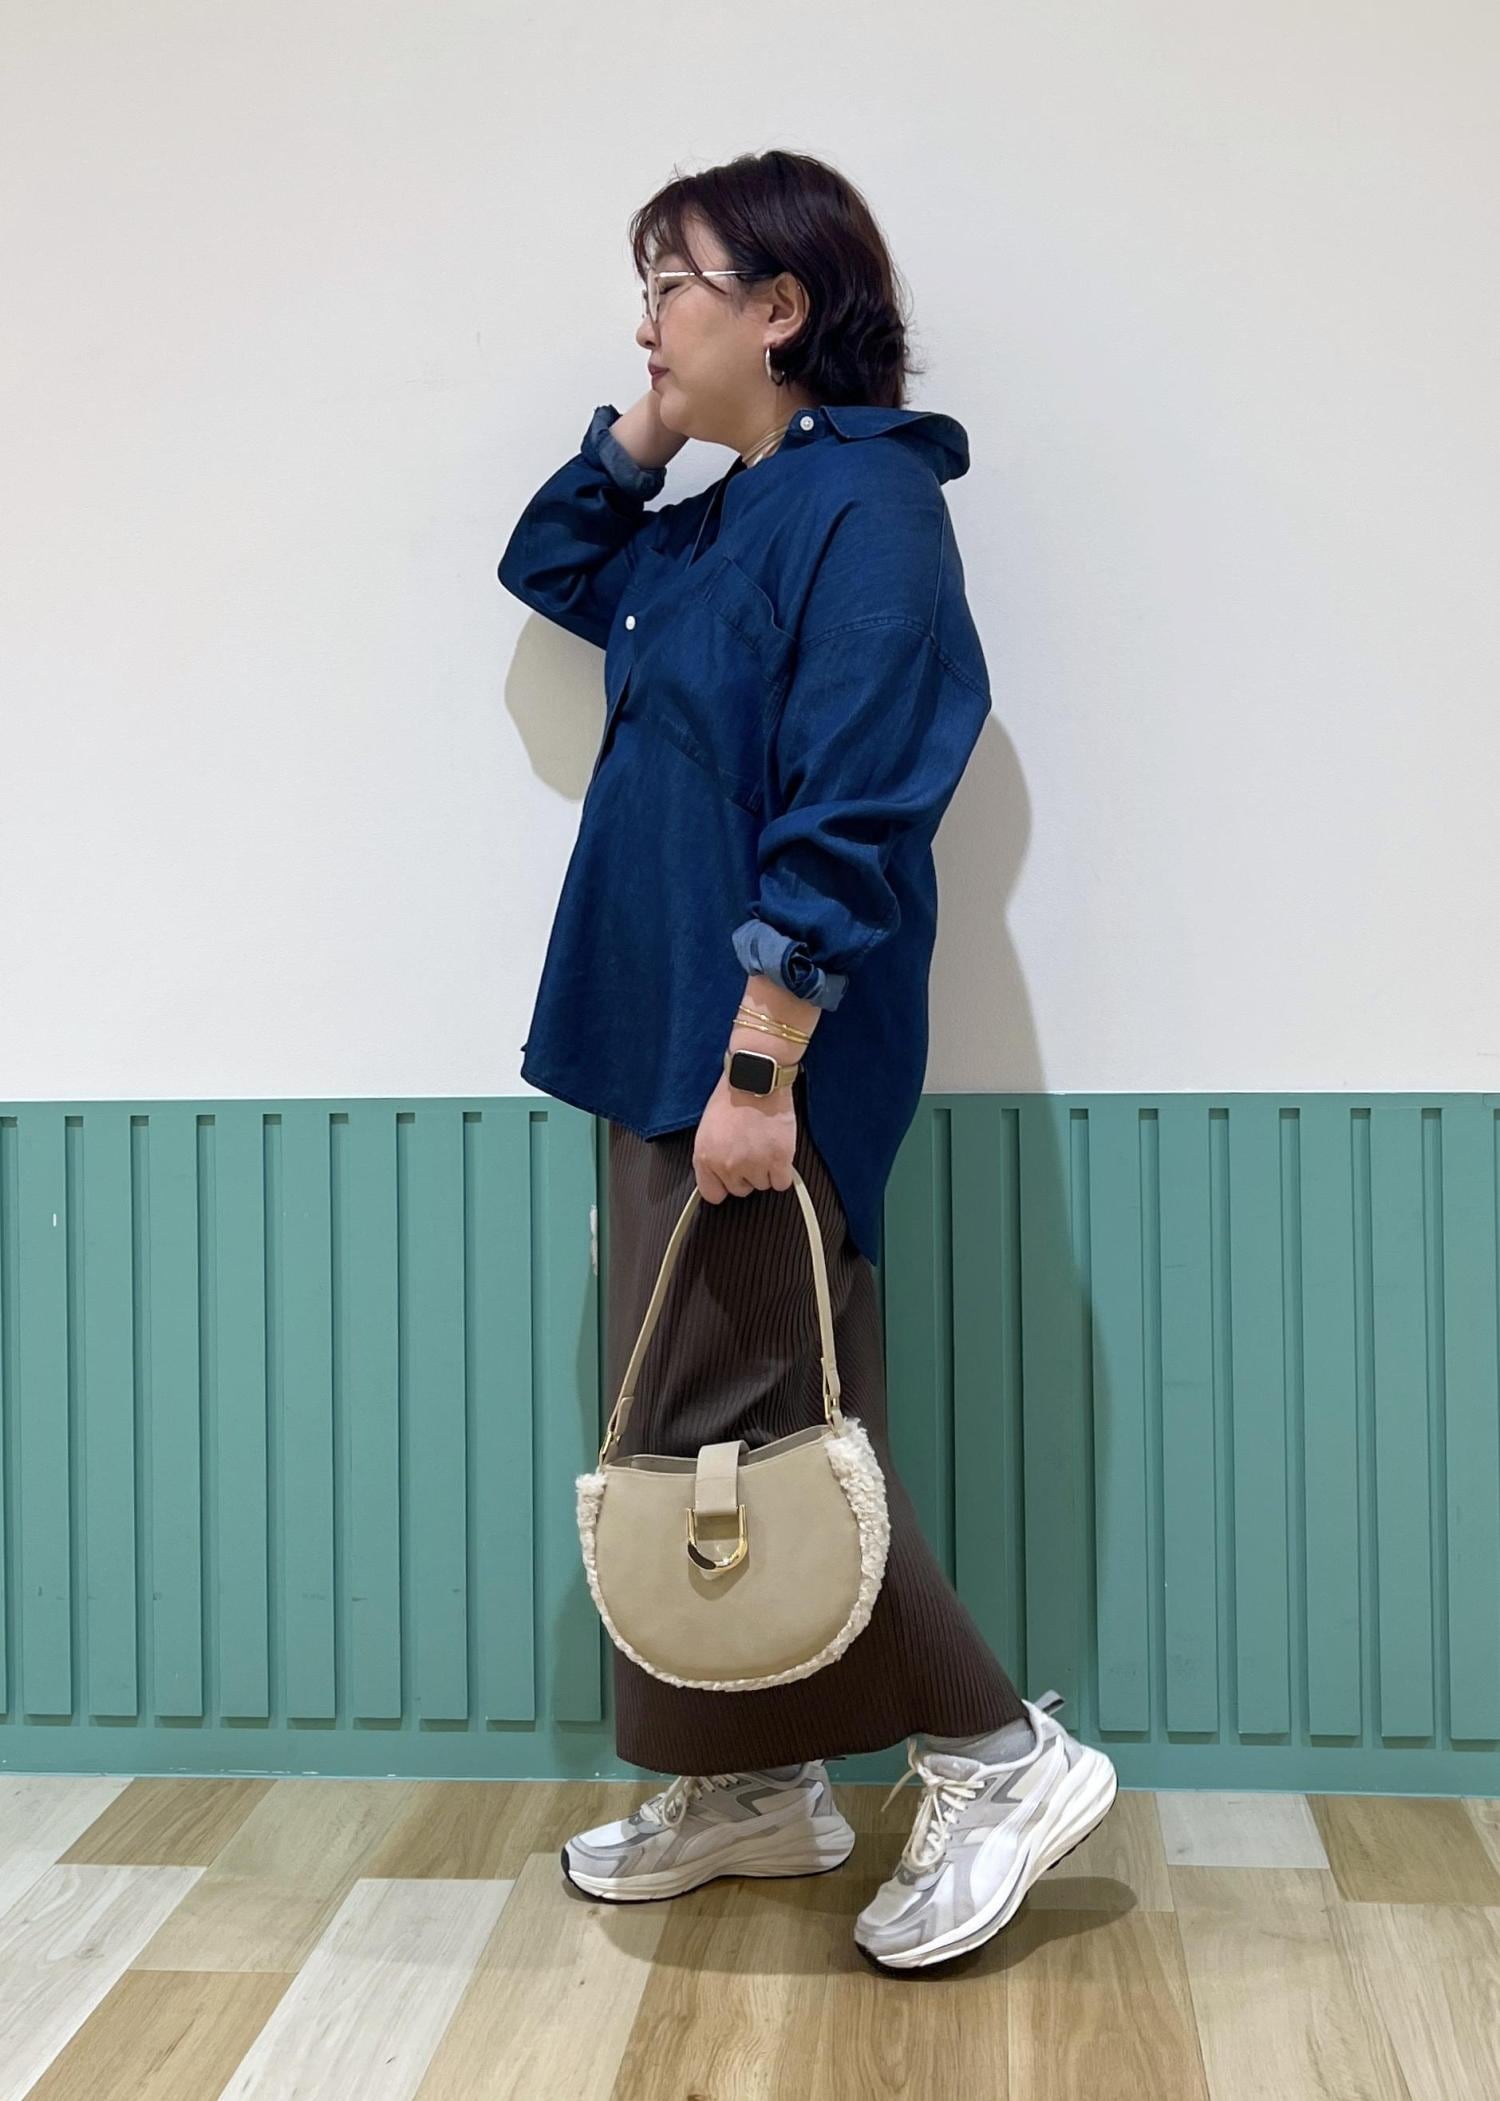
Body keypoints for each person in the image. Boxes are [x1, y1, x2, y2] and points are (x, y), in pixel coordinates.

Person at [496, 149, 1117, 1972]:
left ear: (782, 308)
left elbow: (858, 799)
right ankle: (757, 1782)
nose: (644, 324)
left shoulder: (868, 506)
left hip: (755, 1060)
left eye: (672, 287)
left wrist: (763, 1059)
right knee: (703, 1431)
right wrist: (650, 420)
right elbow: (550, 557)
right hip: (654, 1046)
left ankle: (998, 1756)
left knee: (768, 1423)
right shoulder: (713, 522)